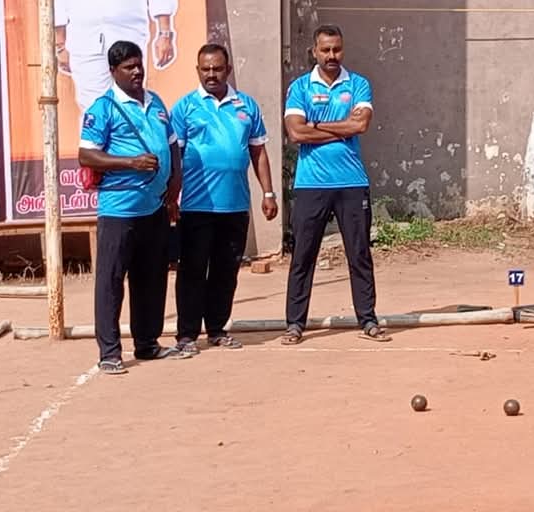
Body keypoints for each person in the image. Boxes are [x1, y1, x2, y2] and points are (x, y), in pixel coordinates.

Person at [78, 40, 182, 374]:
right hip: (119, 211)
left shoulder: (156, 102)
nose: (137, 72)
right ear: (113, 71)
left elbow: (172, 145)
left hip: (154, 207)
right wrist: (130, 162)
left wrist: (174, 186)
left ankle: (147, 343)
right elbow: (86, 154)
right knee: (111, 282)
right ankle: (109, 352)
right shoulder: (103, 108)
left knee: (151, 278)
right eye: (128, 67)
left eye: (139, 65)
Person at [280, 24, 388, 344]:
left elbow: (361, 125)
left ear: (343, 49)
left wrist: (315, 125)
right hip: (310, 184)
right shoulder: (300, 87)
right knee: (303, 255)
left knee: (359, 253)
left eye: (336, 49)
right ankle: (295, 324)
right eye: (325, 50)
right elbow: (296, 132)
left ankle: (367, 319)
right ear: (314, 51)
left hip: (352, 183)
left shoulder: (358, 84)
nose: (331, 55)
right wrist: (342, 128)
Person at [171, 43, 278, 355]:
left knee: (226, 271)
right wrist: (171, 197)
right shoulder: (184, 107)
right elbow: (174, 156)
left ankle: (217, 329)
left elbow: (258, 152)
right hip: (196, 206)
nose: (211, 74)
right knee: (192, 271)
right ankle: (187, 335)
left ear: (228, 70)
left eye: (217, 69)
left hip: (235, 206)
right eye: (205, 69)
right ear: (197, 70)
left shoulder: (247, 106)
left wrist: (268, 193)